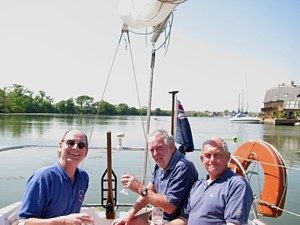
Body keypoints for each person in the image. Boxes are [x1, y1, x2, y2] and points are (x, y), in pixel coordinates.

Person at [113, 129, 198, 225]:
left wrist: (139, 188)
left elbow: (169, 207)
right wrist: (129, 214)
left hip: (177, 219)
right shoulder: (161, 163)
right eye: (152, 150)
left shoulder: (183, 167)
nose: (155, 154)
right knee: (126, 223)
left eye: (159, 148)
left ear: (172, 147)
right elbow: (149, 191)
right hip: (159, 215)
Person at [166, 137, 253, 225]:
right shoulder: (197, 185)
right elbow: (184, 219)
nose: (212, 160)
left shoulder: (237, 185)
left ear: (227, 157)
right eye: (208, 156)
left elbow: (234, 223)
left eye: (217, 155)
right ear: (202, 159)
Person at [15, 129, 94, 225]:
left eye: (81, 145)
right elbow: (23, 222)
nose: (75, 148)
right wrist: (64, 221)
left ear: (86, 152)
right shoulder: (43, 178)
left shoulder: (83, 178)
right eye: (70, 143)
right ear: (60, 146)